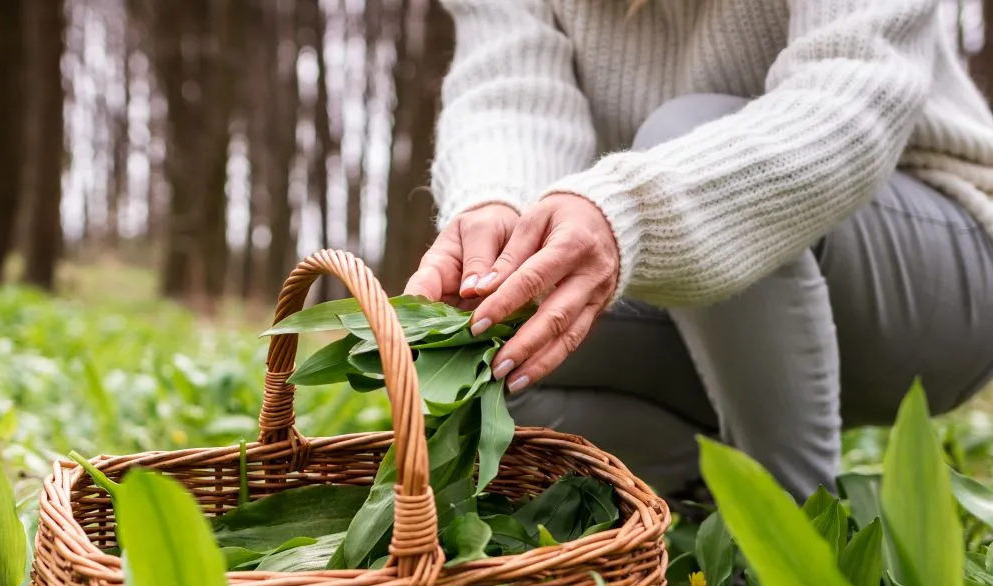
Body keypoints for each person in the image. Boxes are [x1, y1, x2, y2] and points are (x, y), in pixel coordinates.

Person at [404, 0, 993, 504]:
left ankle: (794, 548)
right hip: (699, 309)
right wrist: (496, 209)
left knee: (685, 130)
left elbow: (855, 92)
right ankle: (718, 498)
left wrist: (633, 209)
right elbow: (507, 92)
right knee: (495, 358)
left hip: (934, 279)